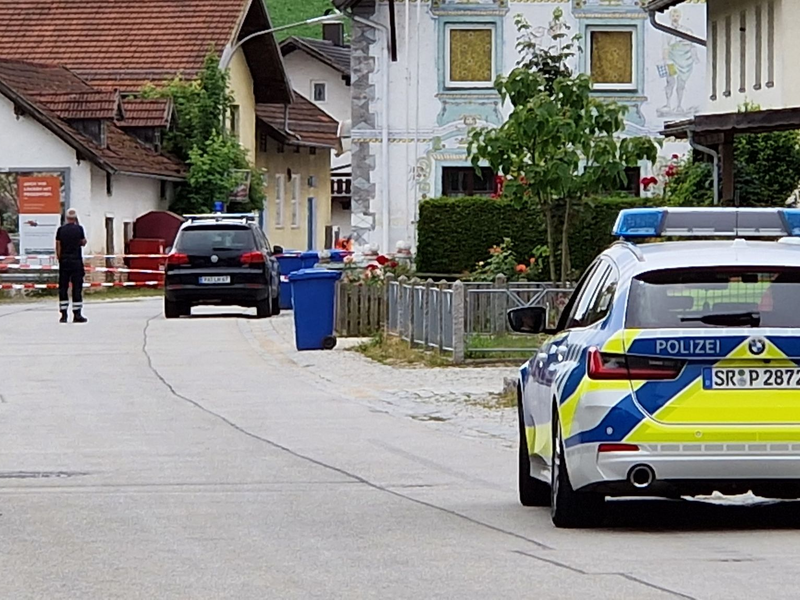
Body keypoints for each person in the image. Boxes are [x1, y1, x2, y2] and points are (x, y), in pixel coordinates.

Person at [55, 208, 87, 323]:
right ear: (75, 218)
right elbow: (83, 242)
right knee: (77, 287)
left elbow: (58, 245)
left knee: (63, 287)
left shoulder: (60, 230)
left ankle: (63, 315)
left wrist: (60, 258)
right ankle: (77, 314)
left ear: (66, 218)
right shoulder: (79, 229)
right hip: (76, 261)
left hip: (64, 261)